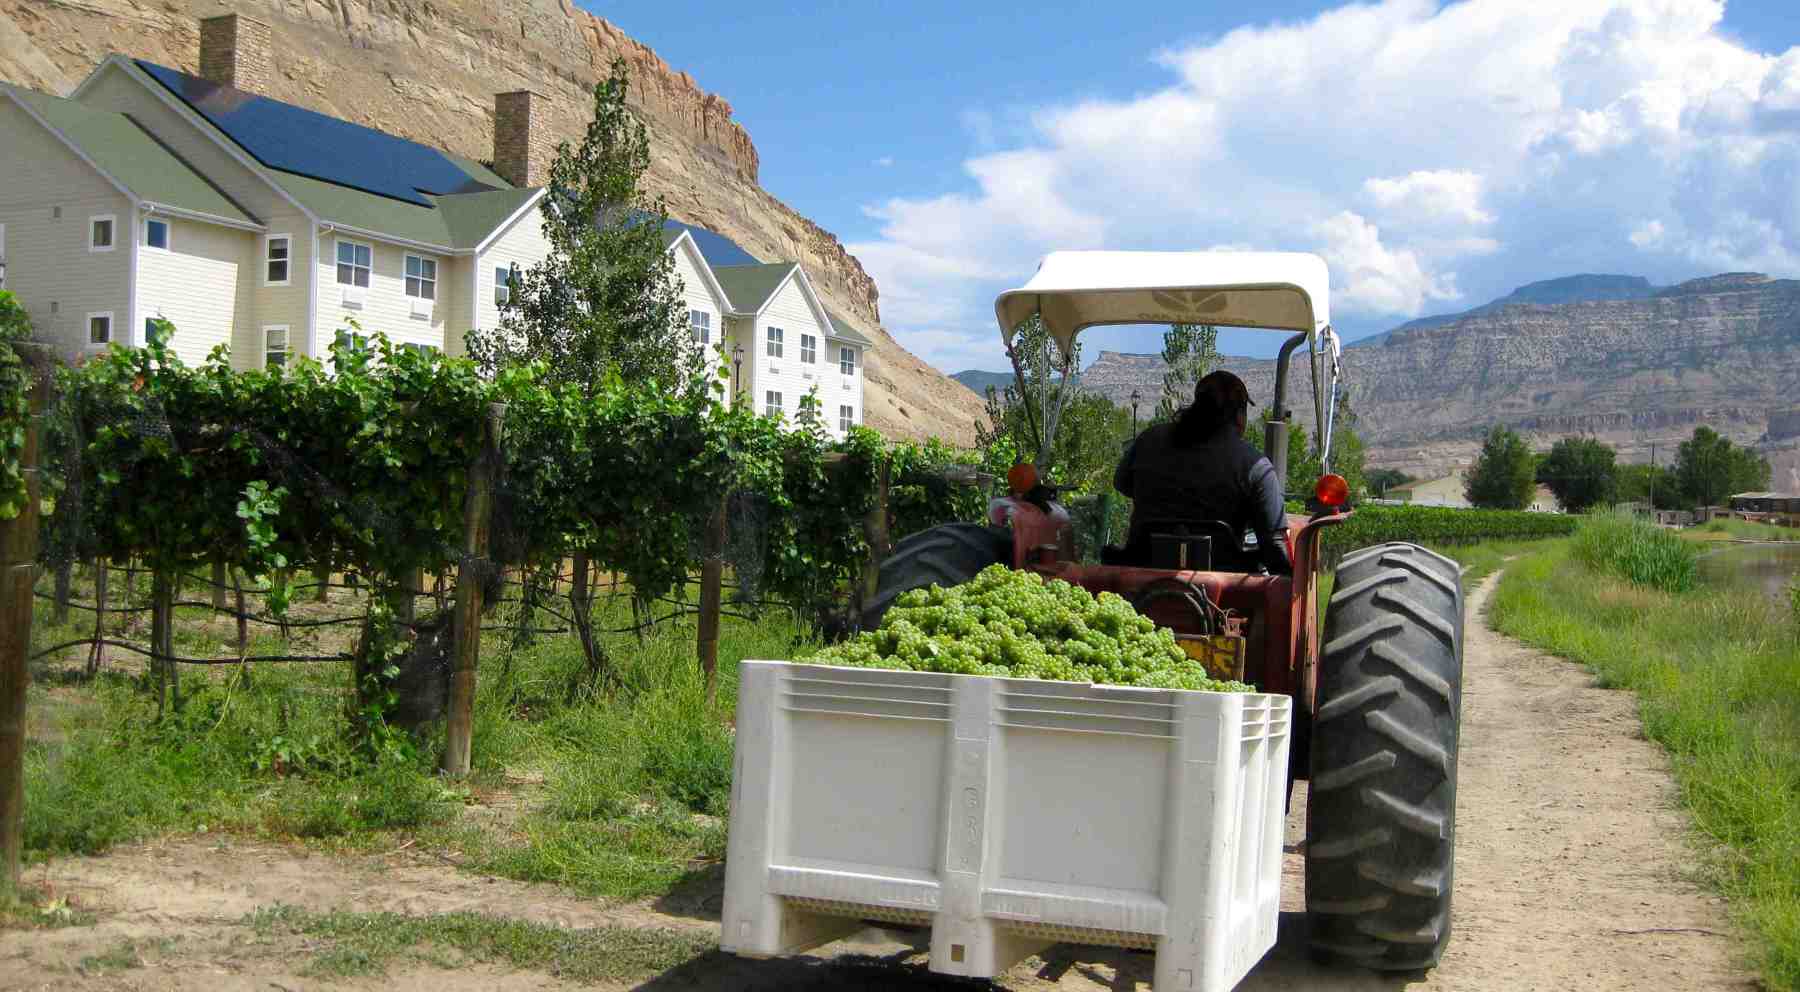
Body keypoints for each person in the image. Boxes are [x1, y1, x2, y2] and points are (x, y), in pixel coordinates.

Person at [1111, 369, 1291, 575]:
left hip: (1142, 577)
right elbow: (1275, 546)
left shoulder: (1148, 440)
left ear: (1197, 404)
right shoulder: (1253, 464)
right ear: (1240, 417)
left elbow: (1121, 483)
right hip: (1226, 590)